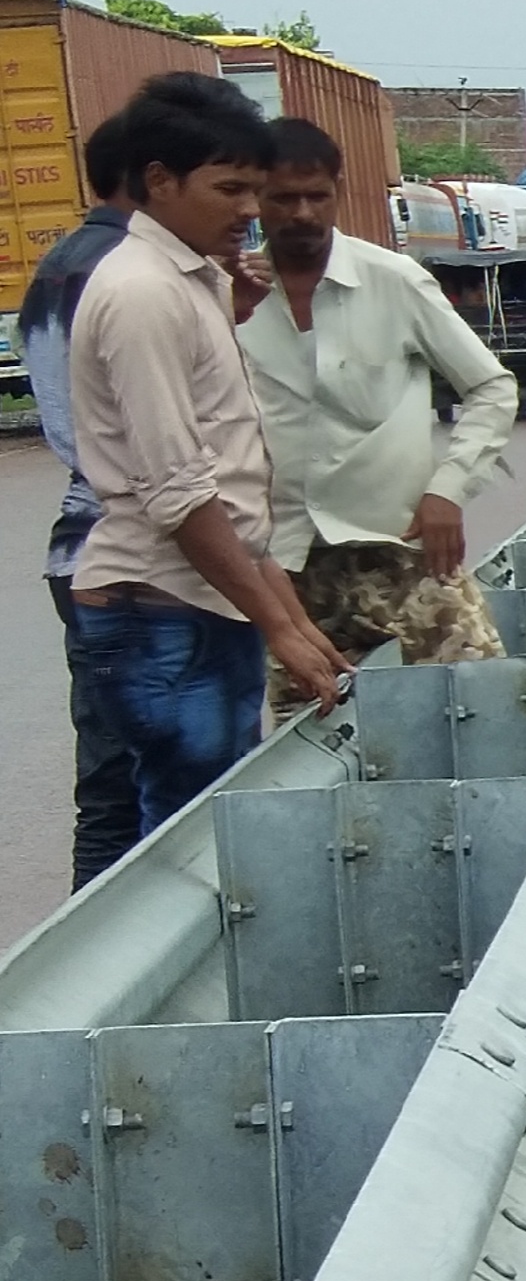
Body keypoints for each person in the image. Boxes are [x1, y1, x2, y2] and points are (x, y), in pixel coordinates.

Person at [69, 73, 348, 838]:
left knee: (203, 824)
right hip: (161, 609)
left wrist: (288, 619)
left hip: (200, 601)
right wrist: (282, 629)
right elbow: (180, 492)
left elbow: (228, 487)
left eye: (254, 189)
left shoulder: (195, 281)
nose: (250, 212)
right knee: (190, 841)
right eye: (230, 189)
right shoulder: (142, 293)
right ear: (159, 181)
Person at [238, 118, 517, 698]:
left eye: (318, 196)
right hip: (289, 565)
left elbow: (490, 387)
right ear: (255, 200)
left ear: (338, 191)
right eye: (283, 198)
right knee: (315, 746)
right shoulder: (233, 297)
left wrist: (449, 489)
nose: (303, 214)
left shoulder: (392, 281)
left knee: (478, 707)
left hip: (404, 554)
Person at [18, 114, 140, 887]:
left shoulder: (59, 265)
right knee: (152, 788)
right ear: (158, 177)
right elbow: (156, 457)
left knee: (109, 784)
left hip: (83, 548)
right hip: (137, 557)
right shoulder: (130, 274)